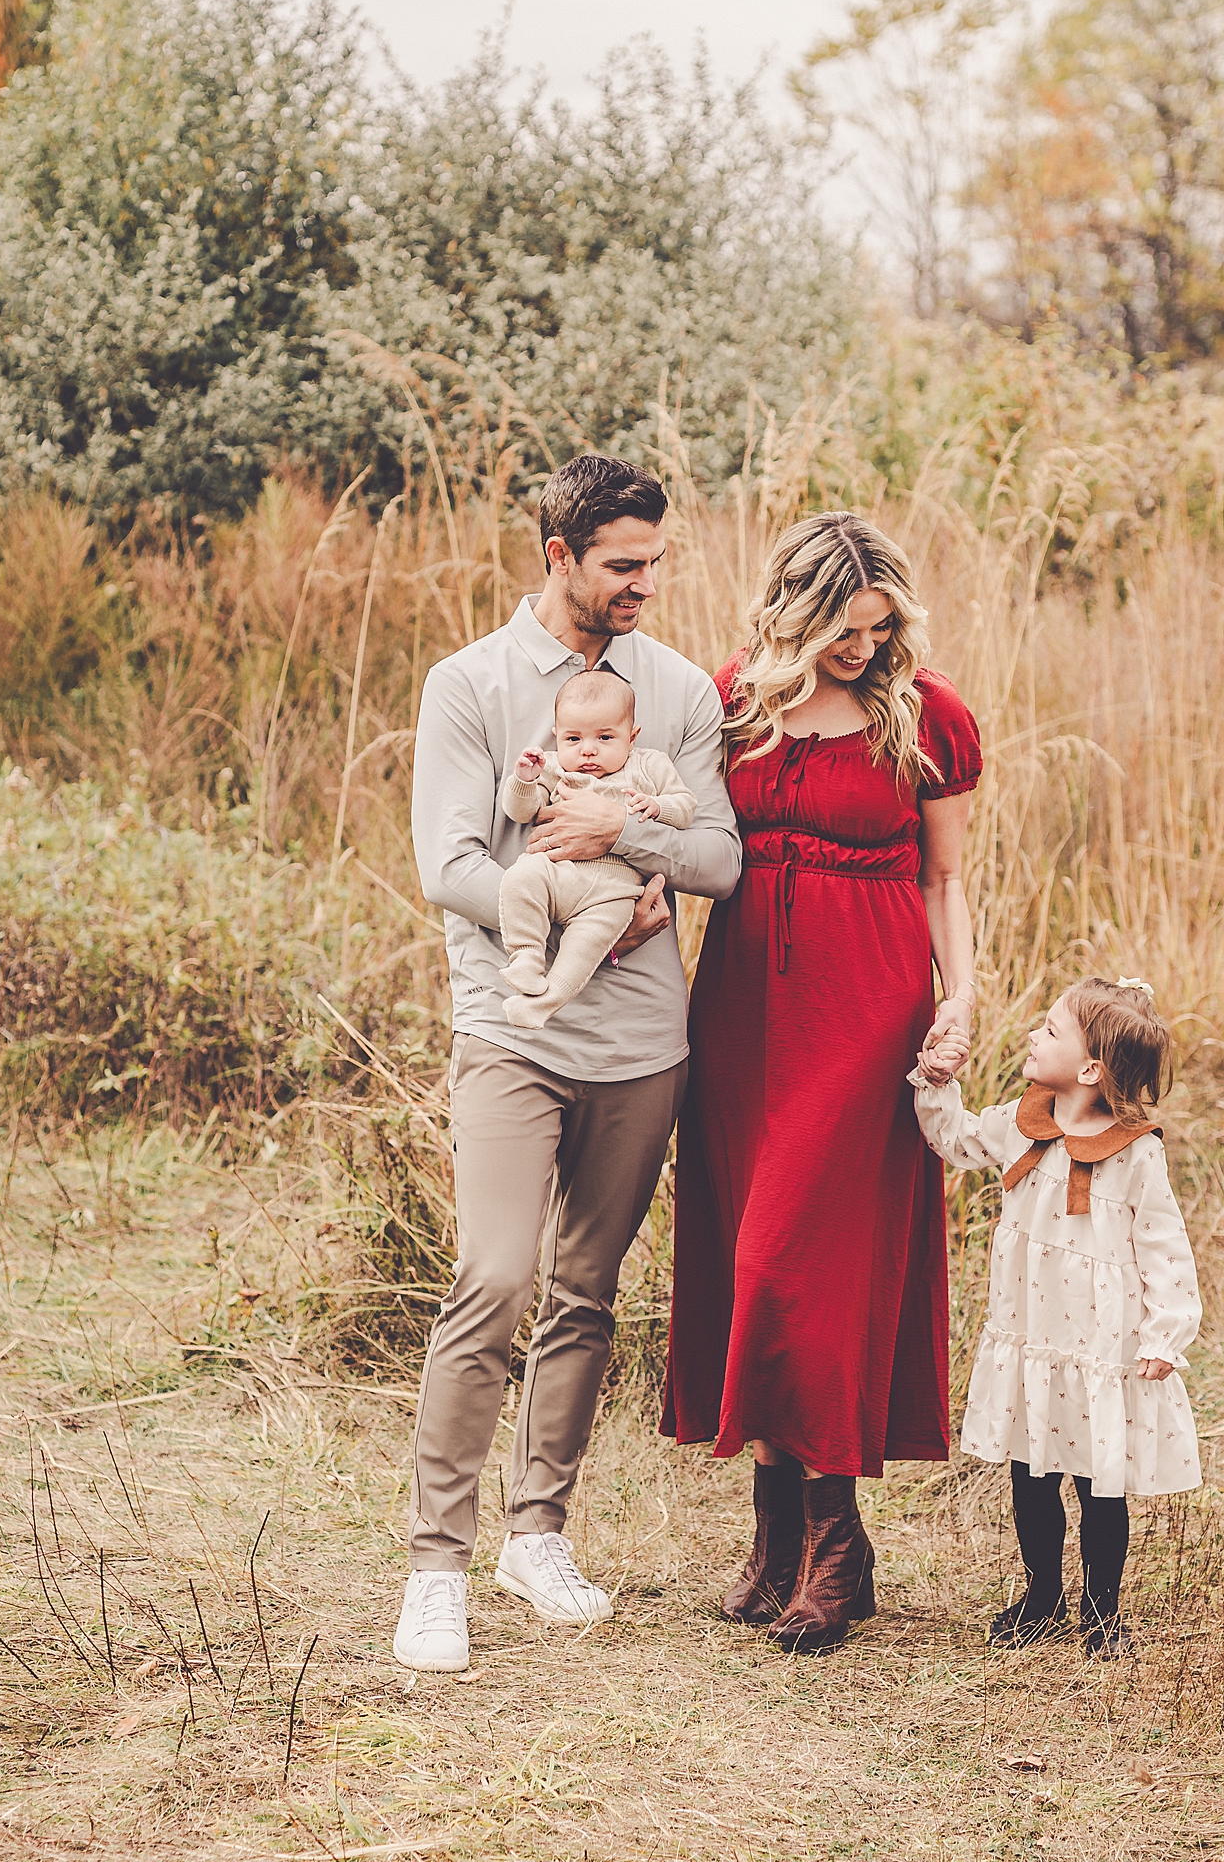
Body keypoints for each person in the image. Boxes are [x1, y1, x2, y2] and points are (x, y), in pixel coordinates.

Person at [397, 452, 740, 1673]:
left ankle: (535, 1531)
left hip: (644, 1045)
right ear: (559, 558)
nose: (647, 583)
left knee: (585, 1290)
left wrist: (623, 829)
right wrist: (558, 909)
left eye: (656, 562)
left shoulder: (681, 690)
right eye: (623, 565)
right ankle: (436, 1560)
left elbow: (720, 861)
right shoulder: (467, 683)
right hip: (511, 1029)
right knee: (490, 1278)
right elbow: (446, 865)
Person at [663, 511, 980, 1655]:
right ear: (797, 613)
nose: (864, 649)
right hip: (743, 1007)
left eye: (880, 627)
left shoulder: (923, 710)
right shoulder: (730, 697)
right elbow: (687, 838)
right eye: (845, 630)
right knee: (747, 1255)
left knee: (801, 1265)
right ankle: (774, 1538)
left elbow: (944, 880)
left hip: (864, 1009)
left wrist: (960, 999)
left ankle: (836, 1543)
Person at [911, 977, 1202, 1657]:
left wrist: (1165, 1333)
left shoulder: (1136, 1151)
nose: (1031, 1038)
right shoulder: (1020, 1120)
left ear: (1091, 1068)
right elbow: (953, 1137)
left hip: (1102, 1348)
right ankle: (1042, 1596)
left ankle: (1103, 1612)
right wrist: (934, 1078)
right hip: (1033, 1337)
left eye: (1049, 1031)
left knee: (1102, 1485)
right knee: (1031, 1472)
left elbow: (1165, 1247)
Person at [496, 670, 697, 1029]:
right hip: (558, 872)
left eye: (605, 737)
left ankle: (542, 1005)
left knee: (584, 949)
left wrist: (657, 806)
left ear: (631, 737)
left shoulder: (648, 766)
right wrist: (524, 780)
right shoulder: (555, 768)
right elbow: (520, 811)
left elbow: (685, 806)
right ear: (557, 736)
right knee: (520, 877)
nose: (588, 749)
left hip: (613, 892)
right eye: (573, 738)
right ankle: (526, 957)